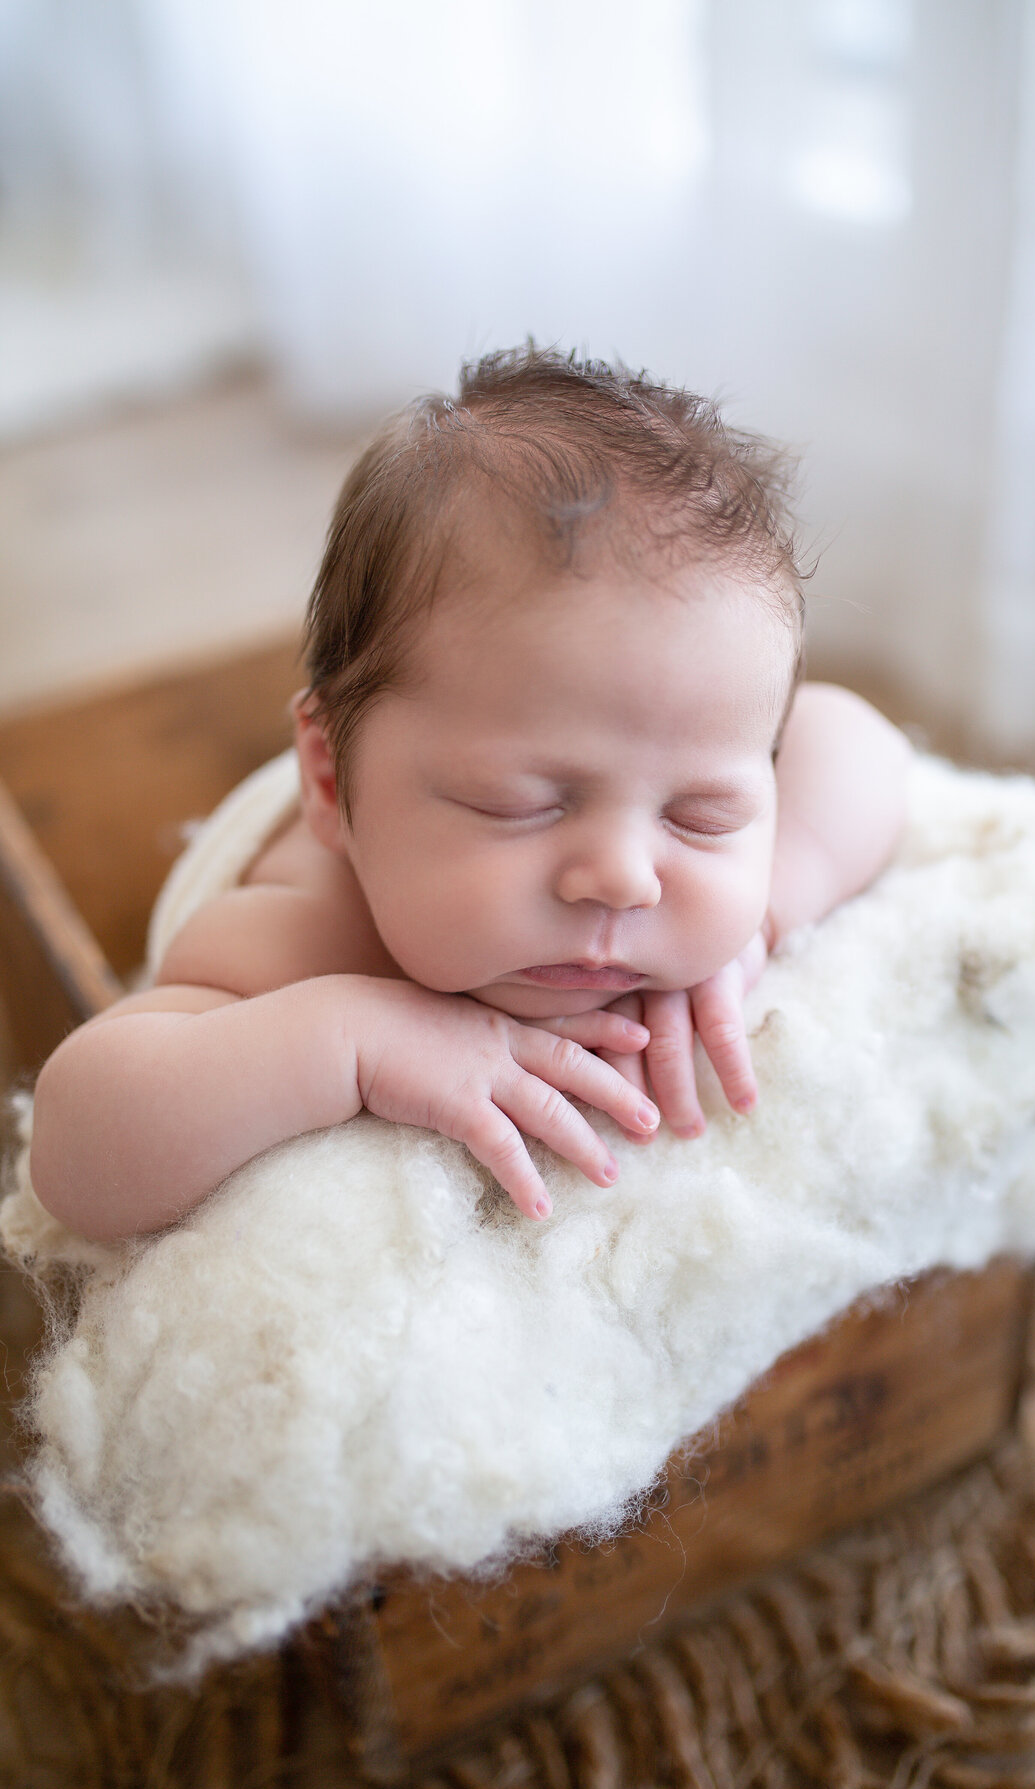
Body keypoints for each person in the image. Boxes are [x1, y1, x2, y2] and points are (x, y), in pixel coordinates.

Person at [30, 347, 911, 1241]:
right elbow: (75, 1146)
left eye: (701, 815)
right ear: (332, 781)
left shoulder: (669, 833)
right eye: (521, 804)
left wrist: (759, 914)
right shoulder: (303, 941)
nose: (623, 878)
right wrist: (352, 1042)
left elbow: (860, 744)